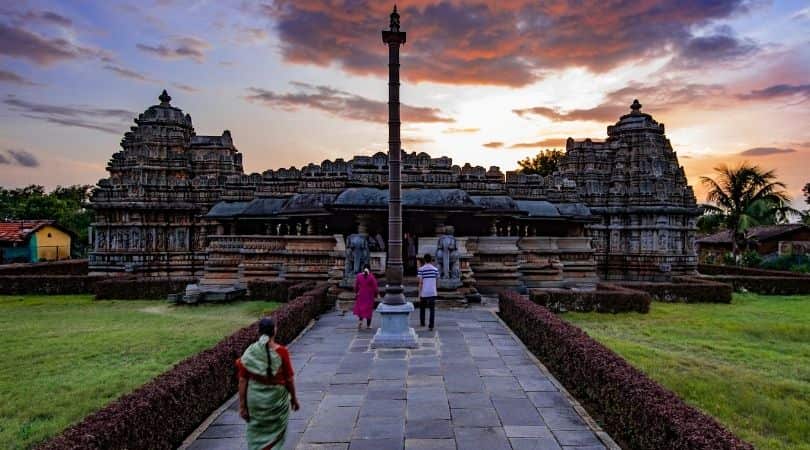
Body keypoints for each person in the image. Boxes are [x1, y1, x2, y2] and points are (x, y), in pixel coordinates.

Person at [236, 317, 300, 450]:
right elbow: (289, 379)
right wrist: (294, 399)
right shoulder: (282, 352)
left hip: (255, 401)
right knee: (275, 436)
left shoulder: (250, 353)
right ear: (274, 331)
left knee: (256, 433)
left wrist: (242, 406)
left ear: (258, 332)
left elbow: (242, 380)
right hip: (277, 402)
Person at [417, 253, 439, 330]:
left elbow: (420, 282)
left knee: (422, 308)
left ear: (424, 260)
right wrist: (436, 290)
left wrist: (419, 293)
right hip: (432, 291)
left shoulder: (421, 269)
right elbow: (436, 281)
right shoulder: (435, 270)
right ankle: (431, 325)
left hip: (424, 291)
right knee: (432, 309)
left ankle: (422, 322)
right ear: (431, 260)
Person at [354, 264, 378, 329]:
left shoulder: (359, 276)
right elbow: (375, 287)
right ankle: (368, 325)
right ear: (369, 269)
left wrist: (356, 292)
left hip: (361, 295)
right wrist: (376, 294)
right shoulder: (371, 277)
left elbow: (356, 286)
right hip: (369, 296)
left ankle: (360, 321)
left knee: (361, 309)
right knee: (368, 310)